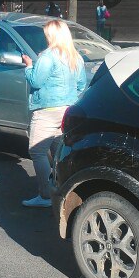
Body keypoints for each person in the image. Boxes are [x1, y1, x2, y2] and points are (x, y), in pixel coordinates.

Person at [21, 20, 87, 208]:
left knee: (37, 151)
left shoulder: (48, 56)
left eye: (46, 34)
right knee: (59, 153)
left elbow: (36, 80)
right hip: (67, 109)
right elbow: (81, 85)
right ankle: (61, 192)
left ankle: (45, 195)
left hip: (47, 110)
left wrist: (28, 65)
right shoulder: (76, 57)